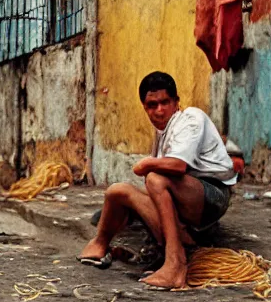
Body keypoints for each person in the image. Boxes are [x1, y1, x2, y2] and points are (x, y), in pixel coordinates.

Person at [77, 71, 238, 290]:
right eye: (152, 105)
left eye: (165, 102)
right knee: (117, 192)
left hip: (211, 196)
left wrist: (145, 164)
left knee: (155, 178)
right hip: (184, 205)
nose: (160, 110)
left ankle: (176, 263)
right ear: (144, 107)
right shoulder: (162, 135)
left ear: (176, 103)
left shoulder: (190, 118)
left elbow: (177, 166)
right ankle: (98, 244)